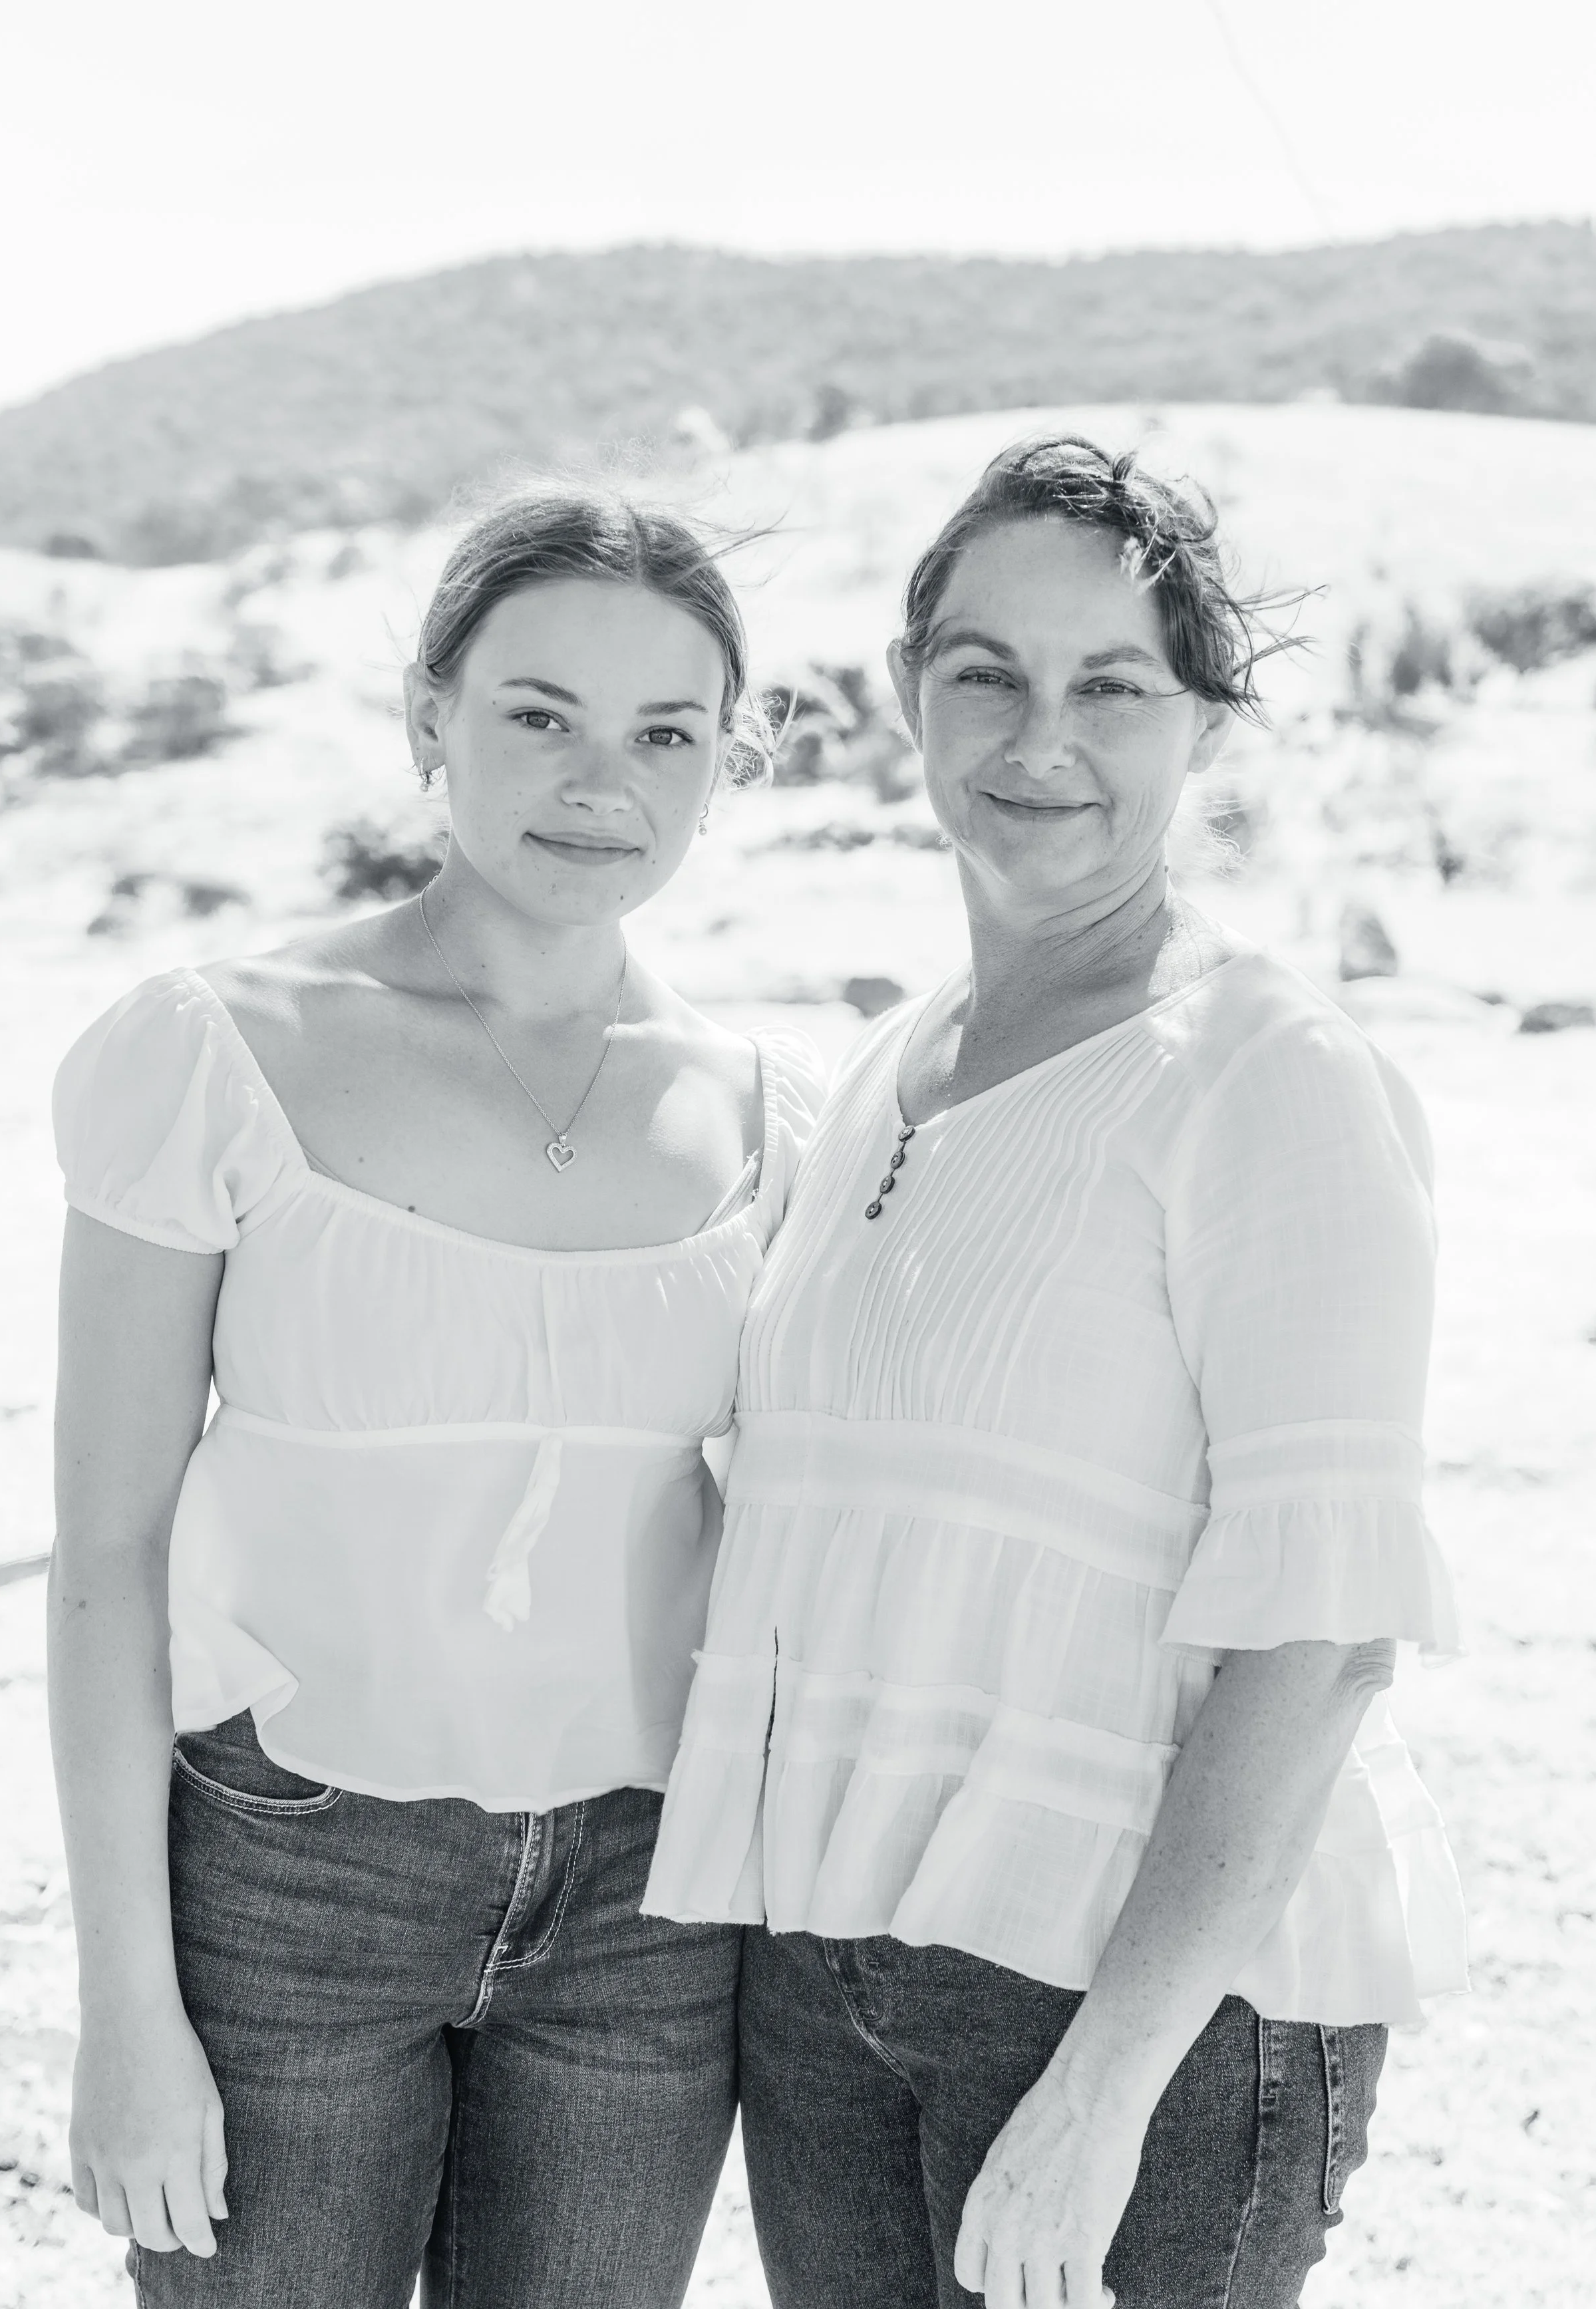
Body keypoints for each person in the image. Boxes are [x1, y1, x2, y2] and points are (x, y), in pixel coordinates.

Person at [645, 436, 1467, 2309]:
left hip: (1136, 2002)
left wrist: (1106, 2085)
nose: (1040, 736)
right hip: (834, 1959)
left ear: (1201, 724)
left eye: (1112, 684)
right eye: (984, 674)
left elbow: (1324, 1633)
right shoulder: (894, 1062)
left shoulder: (1269, 1075)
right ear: (903, 697)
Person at [47, 486, 823, 2308]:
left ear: (731, 764)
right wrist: (123, 2009)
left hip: (646, 1905)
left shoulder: (763, 1106)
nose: (596, 780)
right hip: (288, 1878)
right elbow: (105, 1549)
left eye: (664, 734)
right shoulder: (218, 1049)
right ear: (428, 721)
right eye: (536, 713)